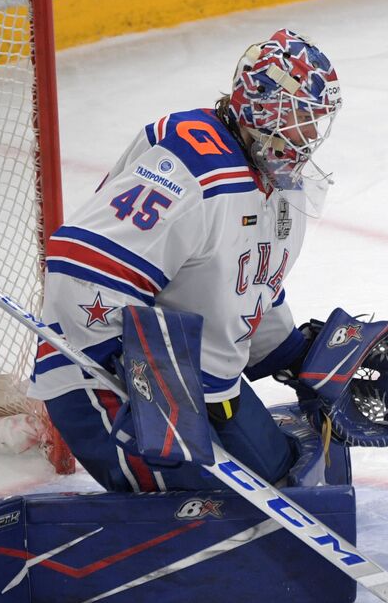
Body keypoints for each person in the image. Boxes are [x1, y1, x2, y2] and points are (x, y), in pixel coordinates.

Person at [30, 29, 347, 492]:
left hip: (203, 389)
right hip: (101, 383)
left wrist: (295, 356)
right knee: (236, 502)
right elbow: (82, 269)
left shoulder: (280, 184)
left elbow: (248, 287)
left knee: (284, 477)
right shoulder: (188, 165)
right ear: (260, 107)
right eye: (300, 118)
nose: (311, 136)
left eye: (316, 121)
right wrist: (143, 377)